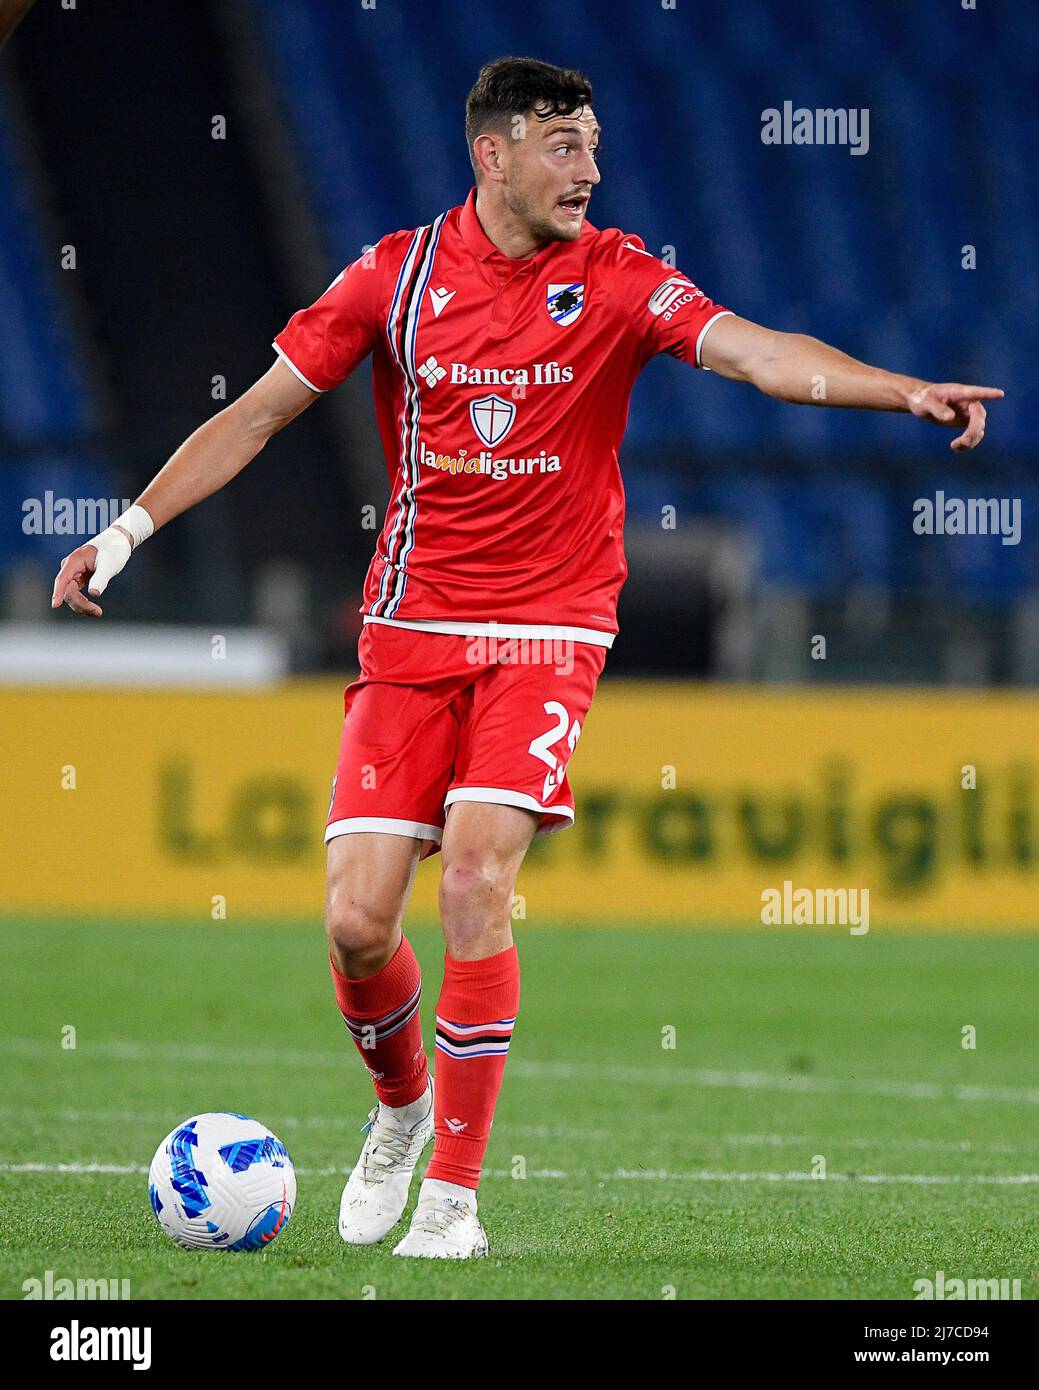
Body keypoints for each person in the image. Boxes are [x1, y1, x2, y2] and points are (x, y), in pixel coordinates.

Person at [51, 56, 1002, 1259]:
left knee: (477, 879)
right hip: (411, 625)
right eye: (565, 145)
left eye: (594, 145)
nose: (591, 169)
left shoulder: (616, 276)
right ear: (489, 154)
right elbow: (255, 413)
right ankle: (399, 1108)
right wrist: (125, 533)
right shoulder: (394, 277)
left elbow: (758, 354)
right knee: (354, 921)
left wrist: (895, 390)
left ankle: (453, 1199)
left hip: (550, 628)